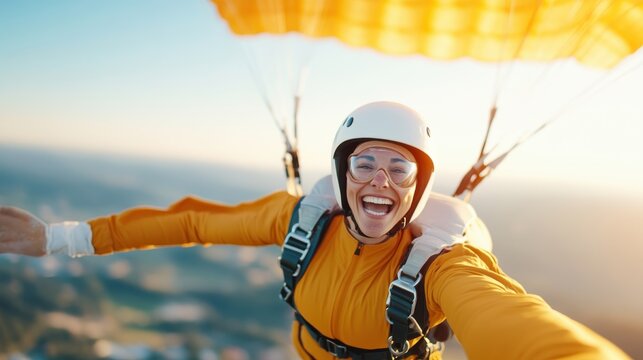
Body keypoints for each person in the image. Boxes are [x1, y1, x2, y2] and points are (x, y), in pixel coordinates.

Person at [0, 102, 630, 359]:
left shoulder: (443, 264)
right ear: (340, 171)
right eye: (364, 162)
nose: (380, 179)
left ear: (419, 186)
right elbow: (193, 221)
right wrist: (57, 238)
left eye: (399, 167)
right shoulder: (302, 220)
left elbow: (511, 320)